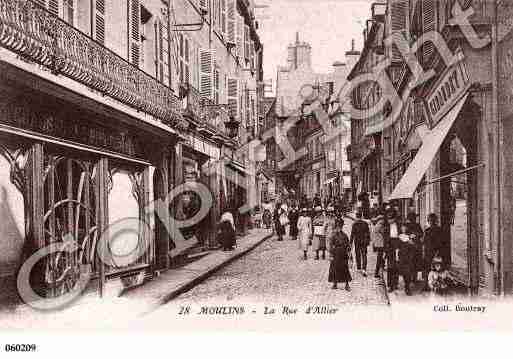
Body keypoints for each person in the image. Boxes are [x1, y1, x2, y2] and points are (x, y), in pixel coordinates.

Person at [423, 213, 446, 291]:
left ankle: (434, 286)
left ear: (435, 221)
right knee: (429, 269)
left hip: (435, 253)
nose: (431, 222)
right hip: (429, 253)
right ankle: (428, 285)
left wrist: (437, 252)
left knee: (435, 269)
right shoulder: (428, 230)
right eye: (430, 220)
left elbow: (441, 243)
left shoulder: (438, 230)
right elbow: (425, 242)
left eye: (432, 220)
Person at [328, 218, 352, 291]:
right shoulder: (333, 235)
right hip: (336, 253)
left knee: (345, 268)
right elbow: (331, 245)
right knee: (334, 268)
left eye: (340, 226)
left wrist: (349, 254)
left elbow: (348, 245)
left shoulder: (345, 235)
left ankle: (347, 284)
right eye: (338, 226)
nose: (339, 227)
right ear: (336, 226)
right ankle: (335, 283)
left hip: (343, 254)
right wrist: (331, 255)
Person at [350, 211, 371, 277]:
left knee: (357, 254)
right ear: (361, 216)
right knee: (364, 255)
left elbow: (352, 234)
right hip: (364, 241)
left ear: (356, 216)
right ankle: (364, 268)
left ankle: (359, 267)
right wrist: (368, 241)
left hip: (357, 241)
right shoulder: (365, 223)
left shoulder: (354, 224)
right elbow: (368, 233)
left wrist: (350, 243)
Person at [405, 212, 424, 282]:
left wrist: (416, 235)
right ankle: (411, 277)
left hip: (416, 247)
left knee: (415, 262)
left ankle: (414, 278)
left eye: (414, 218)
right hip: (409, 247)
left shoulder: (417, 225)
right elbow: (405, 235)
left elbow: (421, 234)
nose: (414, 219)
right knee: (410, 263)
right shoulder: (407, 226)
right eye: (413, 218)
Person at [398, 223, 416, 295]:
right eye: (402, 228)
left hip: (409, 256)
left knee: (408, 271)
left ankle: (407, 287)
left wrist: (412, 242)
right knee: (404, 272)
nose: (403, 229)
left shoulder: (410, 236)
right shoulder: (399, 237)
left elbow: (414, 246)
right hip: (402, 256)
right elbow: (397, 247)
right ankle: (406, 286)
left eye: (405, 228)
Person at [385, 209, 400, 292]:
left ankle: (396, 283)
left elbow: (401, 234)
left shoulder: (398, 225)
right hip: (389, 247)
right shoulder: (386, 226)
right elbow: (385, 237)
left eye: (391, 218)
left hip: (397, 246)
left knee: (397, 266)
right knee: (390, 266)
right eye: (388, 218)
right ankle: (390, 284)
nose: (390, 220)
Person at [371, 213, 386, 278]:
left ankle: (381, 267)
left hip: (377, 244)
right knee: (379, 258)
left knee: (380, 258)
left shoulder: (376, 225)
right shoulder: (380, 226)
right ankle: (376, 272)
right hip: (381, 244)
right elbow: (383, 233)